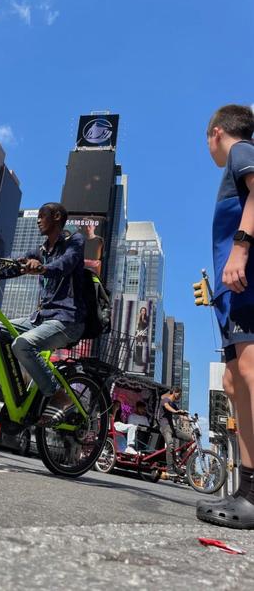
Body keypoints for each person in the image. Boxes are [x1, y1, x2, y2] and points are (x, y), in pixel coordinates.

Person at [0, 202, 86, 427]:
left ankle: (60, 397)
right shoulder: (39, 251)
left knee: (22, 344)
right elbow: (12, 267)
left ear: (57, 216)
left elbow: (65, 264)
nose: (38, 220)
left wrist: (42, 268)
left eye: (42, 216)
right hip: (40, 319)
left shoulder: (74, 241)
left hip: (67, 319)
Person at [197, 105, 254, 529]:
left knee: (250, 371)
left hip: (246, 278)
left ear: (217, 132)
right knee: (235, 379)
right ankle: (247, 488)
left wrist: (240, 248)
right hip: (231, 292)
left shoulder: (241, 151)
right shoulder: (234, 164)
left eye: (207, 138)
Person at [158, 387, 191, 478]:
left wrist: (190, 419)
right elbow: (167, 407)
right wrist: (176, 411)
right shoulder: (165, 400)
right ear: (175, 393)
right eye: (179, 394)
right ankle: (169, 468)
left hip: (172, 428)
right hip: (165, 426)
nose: (180, 397)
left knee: (190, 439)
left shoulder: (173, 404)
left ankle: (179, 457)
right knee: (170, 444)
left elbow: (181, 416)